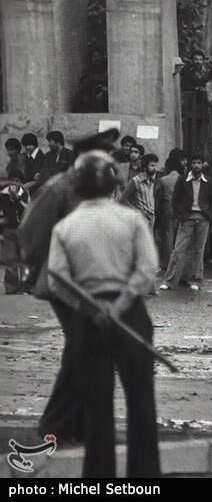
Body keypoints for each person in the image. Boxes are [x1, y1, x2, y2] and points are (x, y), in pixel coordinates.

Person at [47, 150, 160, 478]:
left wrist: (89, 308)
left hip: (88, 318)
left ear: (78, 186)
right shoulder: (131, 220)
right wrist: (120, 304)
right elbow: (147, 270)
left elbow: (57, 278)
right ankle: (144, 479)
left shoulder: (66, 227)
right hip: (130, 315)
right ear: (112, 183)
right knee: (141, 403)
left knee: (97, 409)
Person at [17, 128, 120, 446]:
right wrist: (37, 269)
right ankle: (60, 423)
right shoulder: (59, 187)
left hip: (97, 281)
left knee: (87, 348)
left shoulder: (100, 189)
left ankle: (76, 423)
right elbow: (31, 231)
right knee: (85, 346)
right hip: (65, 283)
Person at [161, 154, 212, 292]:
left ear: (203, 164)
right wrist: (180, 215)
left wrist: (210, 215)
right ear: (190, 164)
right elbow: (175, 199)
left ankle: (195, 279)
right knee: (179, 249)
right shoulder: (182, 179)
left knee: (198, 250)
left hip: (203, 218)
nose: (197, 165)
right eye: (194, 163)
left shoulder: (208, 181)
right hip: (187, 217)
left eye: (199, 163)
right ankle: (170, 280)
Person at [0, 170, 30, 294]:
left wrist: (17, 199)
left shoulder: (24, 194)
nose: (14, 184)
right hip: (9, 229)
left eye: (17, 181)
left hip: (23, 229)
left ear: (21, 183)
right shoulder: (2, 195)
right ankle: (11, 287)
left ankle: (26, 286)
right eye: (12, 180)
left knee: (24, 258)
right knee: (10, 258)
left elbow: (28, 209)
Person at [154, 151, 184, 270]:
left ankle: (168, 263)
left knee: (167, 236)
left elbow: (158, 197)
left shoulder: (163, 180)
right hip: (180, 210)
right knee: (180, 237)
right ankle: (178, 264)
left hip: (166, 209)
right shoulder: (182, 179)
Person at [120, 153, 159, 230]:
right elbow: (122, 200)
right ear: (145, 167)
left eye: (156, 165)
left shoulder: (153, 180)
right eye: (152, 166)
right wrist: (137, 212)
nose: (155, 168)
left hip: (151, 218)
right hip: (140, 219)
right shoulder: (135, 181)